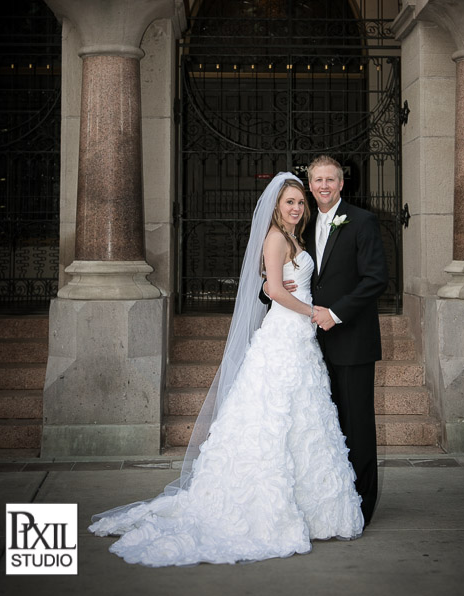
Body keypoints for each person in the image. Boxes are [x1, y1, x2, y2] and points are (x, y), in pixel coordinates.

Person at [89, 172, 363, 566]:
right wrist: (313, 312)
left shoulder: (295, 239)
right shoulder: (274, 237)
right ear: (276, 206)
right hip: (285, 334)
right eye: (290, 202)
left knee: (304, 417)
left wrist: (308, 310)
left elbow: (287, 284)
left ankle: (315, 509)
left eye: (300, 202)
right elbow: (274, 289)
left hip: (300, 340)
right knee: (272, 416)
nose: (297, 208)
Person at [263, 156, 387, 524]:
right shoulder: (302, 224)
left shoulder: (362, 221)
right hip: (311, 344)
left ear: (341, 184)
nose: (323, 186)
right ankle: (330, 501)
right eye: (317, 180)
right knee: (322, 428)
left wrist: (334, 313)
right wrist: (270, 288)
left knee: (356, 425)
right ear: (310, 183)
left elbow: (376, 279)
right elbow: (285, 274)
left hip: (351, 340)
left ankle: (361, 507)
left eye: (330, 180)